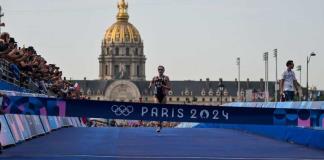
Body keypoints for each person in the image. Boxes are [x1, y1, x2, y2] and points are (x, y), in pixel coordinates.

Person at [149, 65, 171, 133]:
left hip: (163, 95)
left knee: (162, 110)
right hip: (156, 95)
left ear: (163, 70)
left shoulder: (166, 78)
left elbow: (169, 88)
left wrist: (162, 86)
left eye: (161, 69)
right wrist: (150, 85)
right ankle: (158, 125)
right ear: (158, 70)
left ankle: (160, 124)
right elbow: (151, 82)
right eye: (159, 69)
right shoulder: (155, 78)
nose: (160, 71)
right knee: (158, 108)